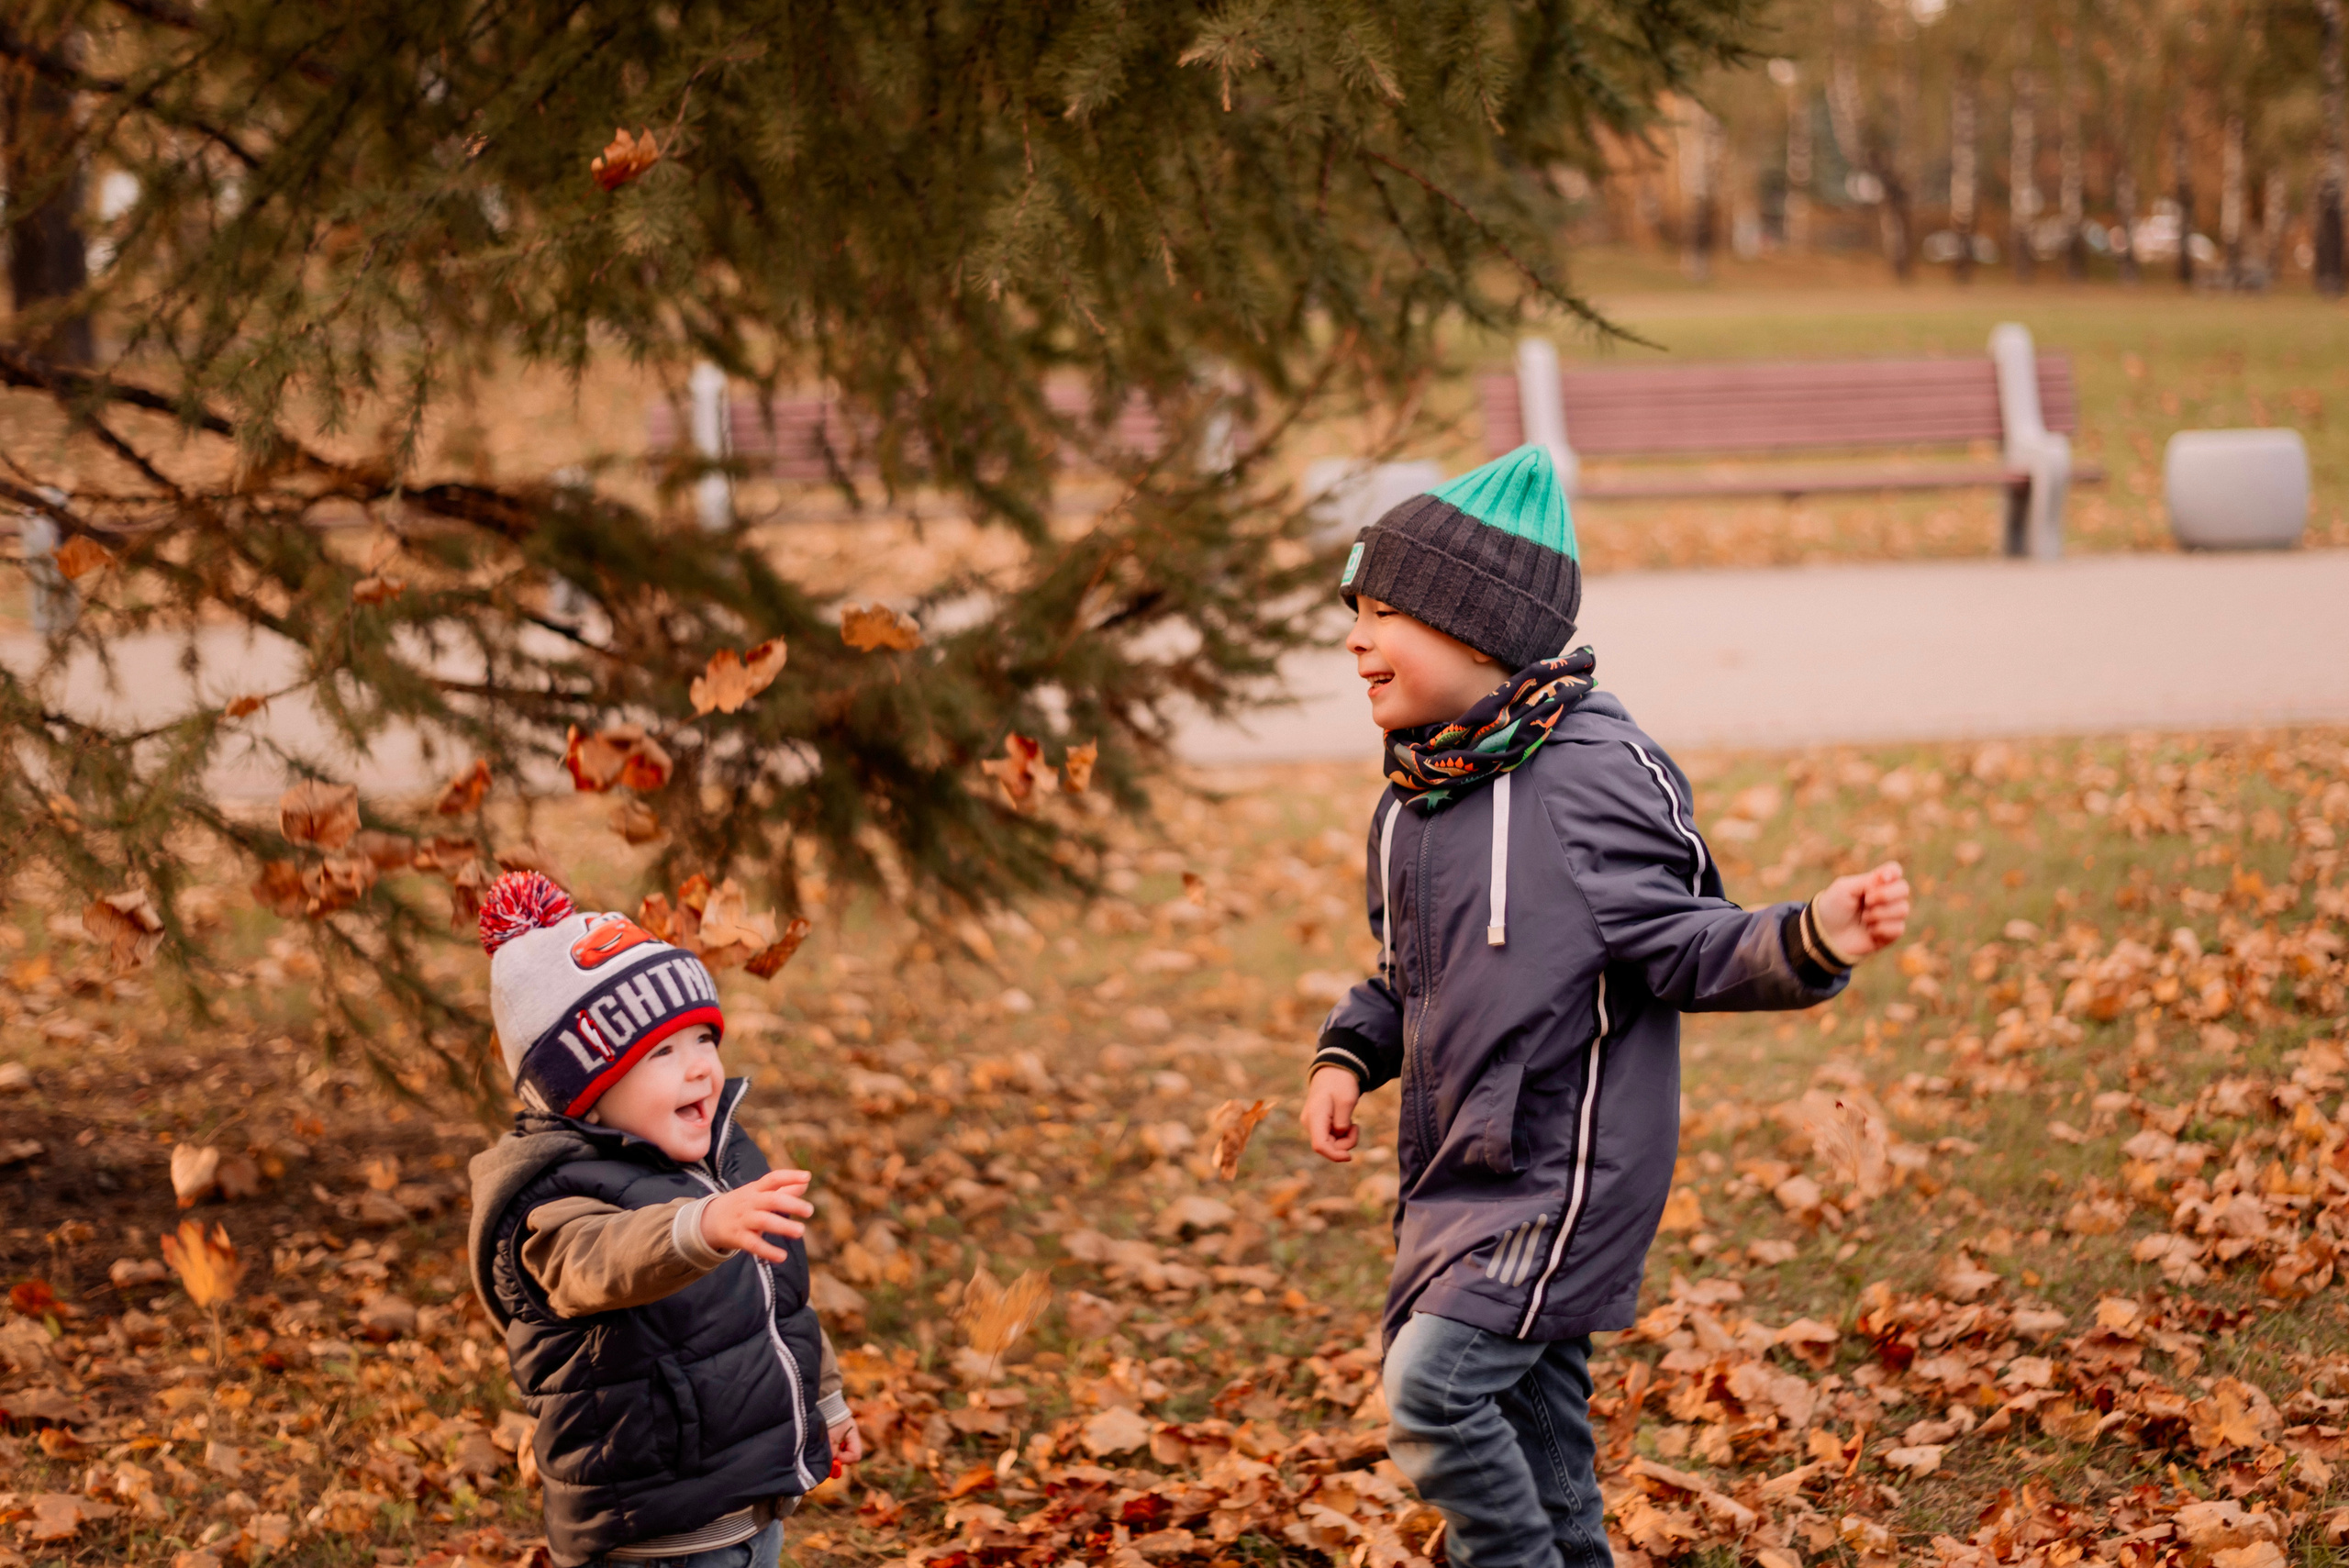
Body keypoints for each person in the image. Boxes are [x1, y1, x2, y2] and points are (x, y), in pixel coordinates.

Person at [1297, 446, 1911, 1568]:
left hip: (1561, 1168)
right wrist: (1347, 1054)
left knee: (1431, 1390)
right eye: (1355, 609)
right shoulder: (1414, 795)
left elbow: (1685, 941)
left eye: (1384, 611)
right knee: (1540, 1441)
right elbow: (1406, 973)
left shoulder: (1592, 772)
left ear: (1476, 631)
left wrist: (1810, 932)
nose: (1354, 637)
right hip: (1454, 1169)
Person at [466, 871, 859, 1568]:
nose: (702, 1069)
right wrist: (697, 1228)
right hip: (654, 1534)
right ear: (584, 1090)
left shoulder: (720, 1157)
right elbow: (601, 1261)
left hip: (744, 1503)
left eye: (705, 1039)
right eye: (663, 1053)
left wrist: (822, 1402)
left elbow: (778, 1306)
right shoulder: (549, 1199)